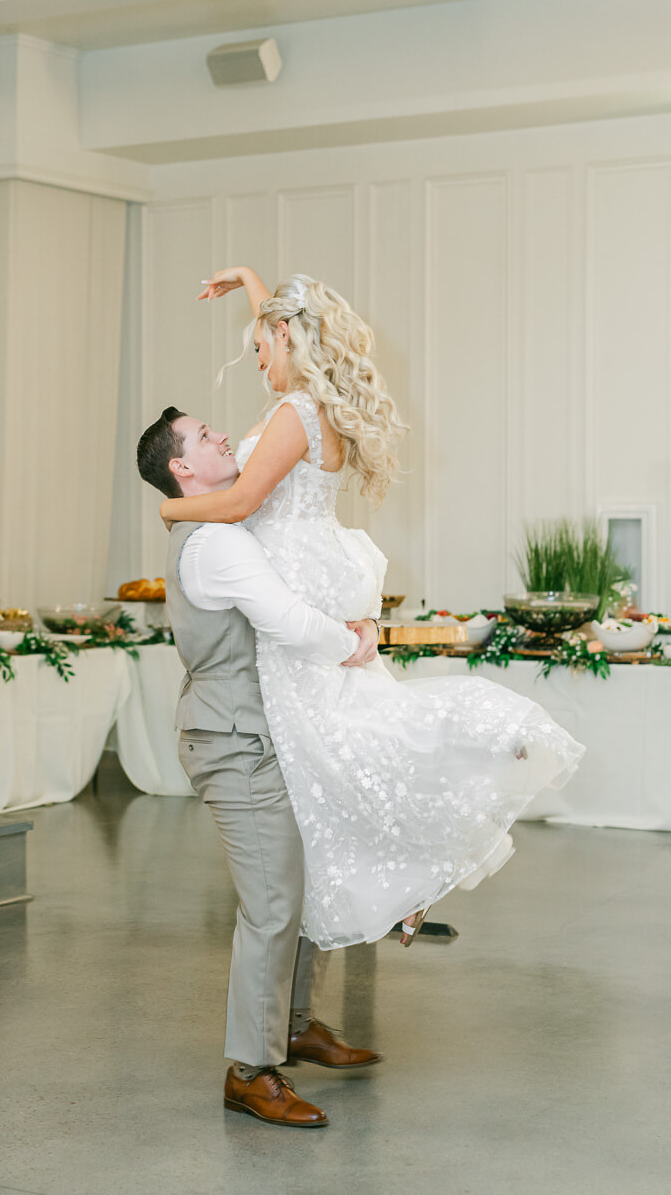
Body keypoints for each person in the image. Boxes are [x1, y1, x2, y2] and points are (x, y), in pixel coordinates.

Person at [157, 267, 586, 951]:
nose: (257, 360)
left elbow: (238, 504)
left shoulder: (295, 412)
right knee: (334, 741)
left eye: (261, 346)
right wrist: (248, 281)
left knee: (329, 747)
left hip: (293, 579)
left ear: (287, 337)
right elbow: (280, 318)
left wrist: (168, 506)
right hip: (314, 565)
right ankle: (403, 885)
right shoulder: (310, 405)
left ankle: (412, 868)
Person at [137, 407, 382, 1130]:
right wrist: (359, 641)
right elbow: (287, 621)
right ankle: (249, 1070)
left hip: (271, 732)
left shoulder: (226, 526)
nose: (223, 436)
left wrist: (250, 285)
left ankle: (296, 1024)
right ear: (182, 469)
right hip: (234, 740)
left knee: (304, 879)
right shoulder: (213, 542)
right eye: (205, 436)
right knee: (273, 902)